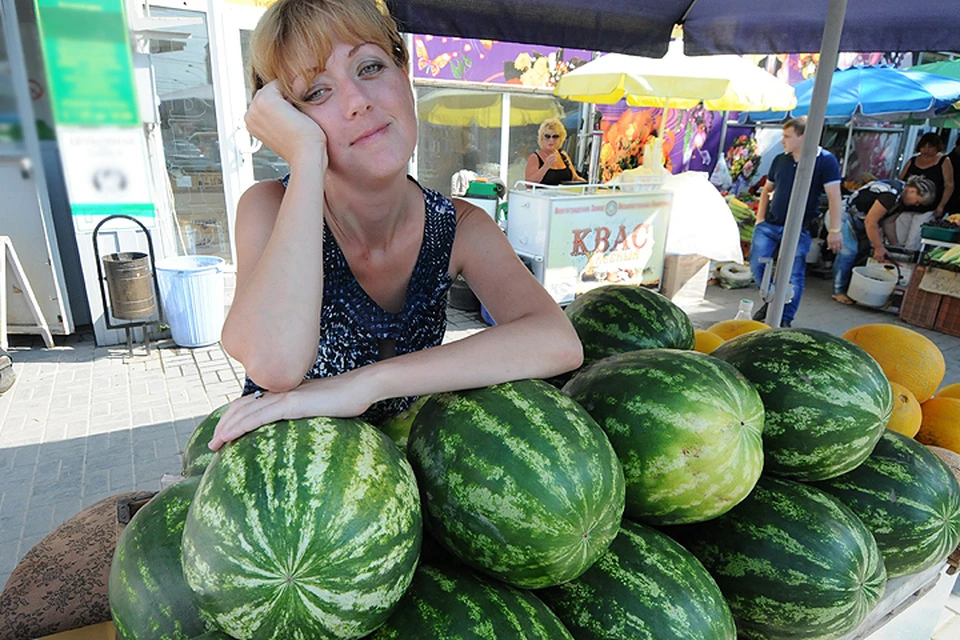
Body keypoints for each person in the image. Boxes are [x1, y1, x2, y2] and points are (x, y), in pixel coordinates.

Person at [209, 0, 583, 450]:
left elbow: (557, 341)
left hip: (397, 480)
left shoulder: (459, 225)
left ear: (404, 75)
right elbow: (275, 365)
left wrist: (365, 384)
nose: (358, 102)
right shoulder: (267, 206)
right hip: (285, 493)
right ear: (287, 122)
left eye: (369, 67)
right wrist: (307, 155)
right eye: (315, 92)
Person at [749, 117, 843, 327]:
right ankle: (772, 299)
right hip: (770, 224)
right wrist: (760, 219)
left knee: (794, 274)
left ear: (804, 137)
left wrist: (835, 229)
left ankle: (784, 318)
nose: (783, 141)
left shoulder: (825, 160)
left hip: (800, 227)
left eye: (787, 136)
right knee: (757, 265)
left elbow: (834, 196)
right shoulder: (781, 159)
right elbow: (767, 190)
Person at [831, 175, 936, 305]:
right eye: (918, 201)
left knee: (863, 252)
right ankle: (838, 291)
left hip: (858, 220)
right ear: (913, 191)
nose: (917, 204)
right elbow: (871, 222)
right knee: (849, 251)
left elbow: (889, 223)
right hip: (843, 215)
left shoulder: (900, 200)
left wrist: (895, 245)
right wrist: (878, 247)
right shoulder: (890, 195)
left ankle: (851, 288)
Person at [895, 132, 955, 249]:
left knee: (914, 240)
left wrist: (941, 206)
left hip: (928, 207)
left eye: (930, 146)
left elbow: (949, 185)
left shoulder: (944, 161)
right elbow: (901, 180)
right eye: (924, 146)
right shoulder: (913, 160)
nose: (926, 149)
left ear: (937, 147)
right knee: (898, 237)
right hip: (906, 206)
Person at [525, 118, 585, 185]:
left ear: (561, 138)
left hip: (564, 194)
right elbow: (529, 184)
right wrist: (546, 166)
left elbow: (575, 178)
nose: (551, 140)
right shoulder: (535, 157)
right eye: (547, 136)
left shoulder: (563, 155)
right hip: (543, 194)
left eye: (555, 136)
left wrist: (589, 185)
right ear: (541, 138)